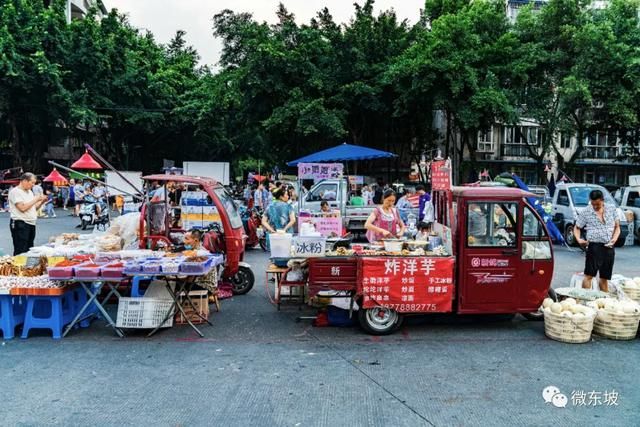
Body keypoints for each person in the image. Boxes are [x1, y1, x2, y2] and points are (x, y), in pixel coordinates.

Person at [574, 189, 621, 292]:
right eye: (593, 204)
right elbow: (577, 227)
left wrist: (614, 239)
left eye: (597, 204)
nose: (595, 206)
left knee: (604, 278)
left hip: (609, 246)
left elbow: (617, 227)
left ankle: (604, 301)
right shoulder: (586, 211)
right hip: (594, 246)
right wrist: (578, 239)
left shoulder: (611, 209)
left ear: (602, 200)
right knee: (589, 275)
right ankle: (585, 298)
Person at [9, 173, 48, 255]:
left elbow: (33, 208)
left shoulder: (29, 192)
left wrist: (41, 202)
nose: (33, 185)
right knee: (21, 249)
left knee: (29, 249)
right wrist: (36, 199)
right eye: (32, 182)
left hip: (31, 222)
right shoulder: (15, 192)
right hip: (20, 222)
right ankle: (18, 266)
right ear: (24, 181)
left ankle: (26, 267)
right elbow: (22, 208)